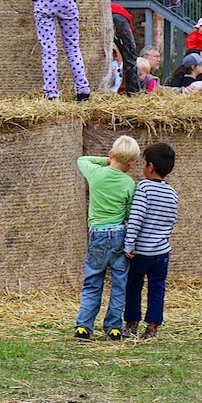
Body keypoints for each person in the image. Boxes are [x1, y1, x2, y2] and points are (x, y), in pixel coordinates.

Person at [74, 135, 138, 341]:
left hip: (98, 235)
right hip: (119, 234)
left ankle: (84, 326)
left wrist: (107, 160)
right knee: (119, 283)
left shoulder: (96, 173)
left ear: (110, 155)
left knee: (93, 281)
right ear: (133, 163)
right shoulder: (129, 183)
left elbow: (81, 160)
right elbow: (129, 214)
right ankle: (113, 327)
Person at [123, 141, 179, 340]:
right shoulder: (172, 193)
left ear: (150, 167)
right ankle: (153, 327)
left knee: (133, 286)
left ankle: (131, 324)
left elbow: (136, 217)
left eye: (144, 162)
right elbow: (172, 220)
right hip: (161, 253)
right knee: (157, 289)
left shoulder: (144, 188)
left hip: (140, 252)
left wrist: (129, 243)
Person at [111, 3, 140, 96]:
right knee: (131, 58)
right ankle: (133, 92)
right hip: (117, 15)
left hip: (109, 13)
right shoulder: (124, 20)